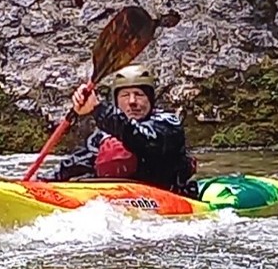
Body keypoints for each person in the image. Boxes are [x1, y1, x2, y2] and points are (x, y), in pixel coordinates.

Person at [39, 65, 197, 196]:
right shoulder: (104, 135)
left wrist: (97, 109)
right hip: (118, 198)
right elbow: (79, 161)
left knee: (119, 147)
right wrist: (44, 181)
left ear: (150, 99)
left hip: (166, 196)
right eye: (125, 95)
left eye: (139, 95)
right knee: (109, 147)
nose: (132, 101)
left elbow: (138, 137)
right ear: (116, 101)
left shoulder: (168, 124)